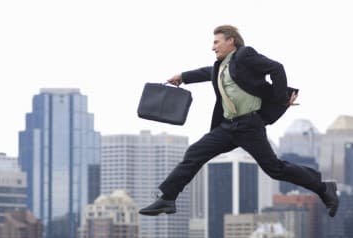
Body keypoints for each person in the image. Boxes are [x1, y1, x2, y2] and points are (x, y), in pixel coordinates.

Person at [139, 25, 339, 217]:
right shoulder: (221, 66)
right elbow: (206, 72)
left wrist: (280, 97)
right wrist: (182, 77)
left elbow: (277, 68)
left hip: (249, 126)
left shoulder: (244, 56)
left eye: (217, 42)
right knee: (194, 153)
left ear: (231, 41)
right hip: (227, 127)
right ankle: (167, 198)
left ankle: (323, 187)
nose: (212, 47)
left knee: (275, 169)